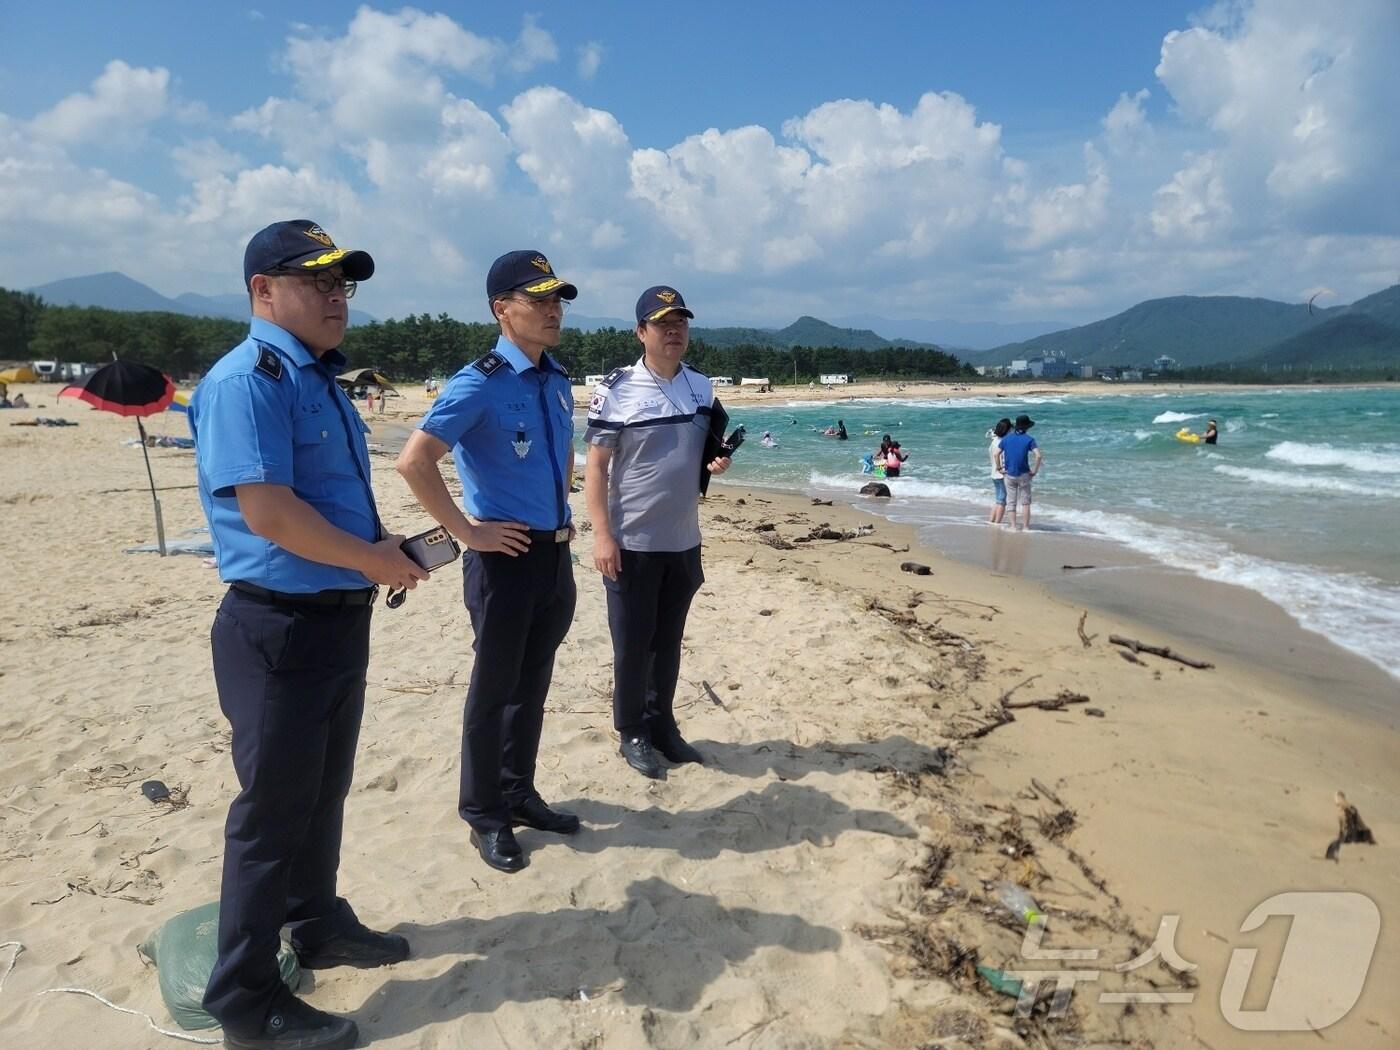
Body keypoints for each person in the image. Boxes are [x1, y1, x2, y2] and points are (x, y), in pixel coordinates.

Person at [188, 219, 427, 1050]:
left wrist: (381, 549)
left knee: (322, 793)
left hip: (334, 619)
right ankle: (247, 1004)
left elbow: (326, 501)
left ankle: (316, 923)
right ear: (263, 291)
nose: (336, 295)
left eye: (343, 283)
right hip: (278, 627)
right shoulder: (246, 380)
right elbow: (270, 513)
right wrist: (371, 560)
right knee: (270, 817)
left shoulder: (317, 378)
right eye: (315, 279)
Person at [396, 250, 580, 874]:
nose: (554, 310)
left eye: (558, 299)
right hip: (503, 561)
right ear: (502, 309)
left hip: (554, 556)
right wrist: (466, 532)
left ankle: (518, 791)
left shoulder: (555, 379)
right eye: (540, 300)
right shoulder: (478, 381)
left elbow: (556, 462)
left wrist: (561, 515)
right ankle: (483, 812)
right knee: (493, 690)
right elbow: (414, 460)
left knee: (532, 686)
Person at [584, 286, 731, 779]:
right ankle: (632, 731)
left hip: (684, 541)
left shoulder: (702, 386)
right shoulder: (616, 388)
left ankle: (662, 724)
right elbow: (597, 467)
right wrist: (602, 534)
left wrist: (718, 461)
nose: (674, 331)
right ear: (640, 331)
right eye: (662, 323)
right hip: (632, 543)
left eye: (681, 322)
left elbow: (705, 451)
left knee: (668, 642)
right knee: (632, 644)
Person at [996, 413, 1043, 530]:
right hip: (1024, 474)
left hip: (1009, 474)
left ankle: (1013, 526)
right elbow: (1038, 456)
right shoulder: (1029, 439)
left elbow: (996, 453)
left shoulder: (1007, 438)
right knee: (1025, 502)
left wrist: (999, 468)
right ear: (1027, 427)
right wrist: (1034, 470)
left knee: (1011, 501)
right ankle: (1026, 527)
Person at [988, 418, 1012, 524]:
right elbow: (1002, 457)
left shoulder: (994, 441)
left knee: (998, 499)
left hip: (994, 473)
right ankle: (997, 522)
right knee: (1002, 501)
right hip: (1001, 474)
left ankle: (992, 520)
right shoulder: (1003, 442)